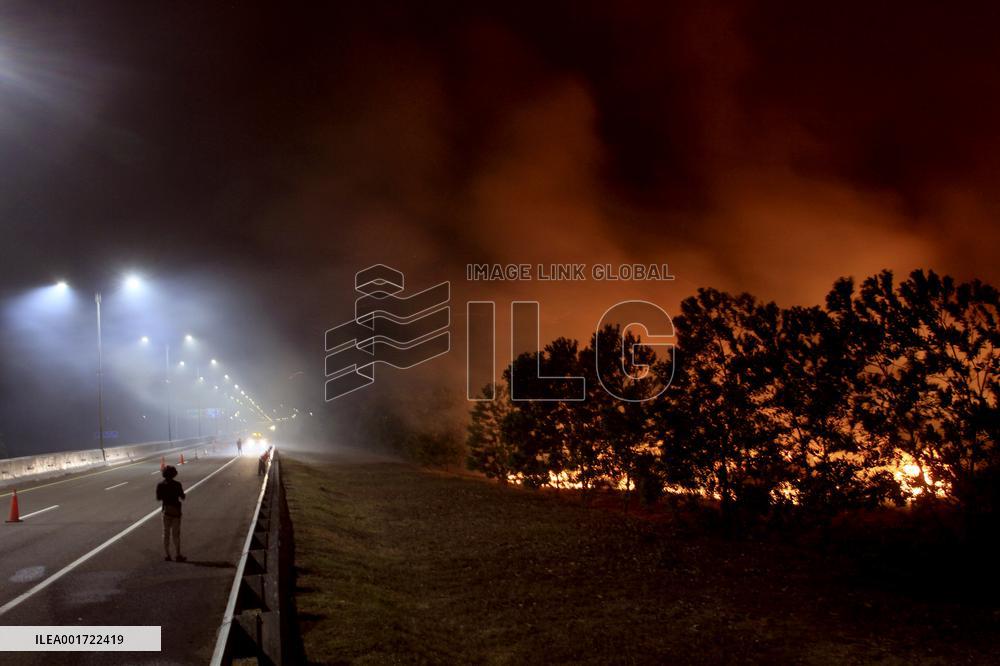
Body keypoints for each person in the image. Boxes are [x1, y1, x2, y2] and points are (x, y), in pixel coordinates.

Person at [156, 465, 187, 562]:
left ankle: (167, 555)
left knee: (166, 533)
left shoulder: (160, 485)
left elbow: (158, 498)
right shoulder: (177, 484)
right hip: (176, 511)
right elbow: (182, 497)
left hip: (166, 511)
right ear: (174, 474)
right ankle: (178, 554)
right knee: (176, 534)